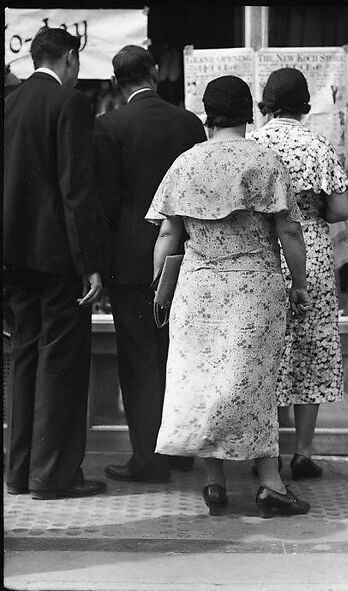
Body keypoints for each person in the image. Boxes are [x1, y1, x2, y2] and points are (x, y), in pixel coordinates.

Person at [145, 75, 311, 518]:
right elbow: (290, 231)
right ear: (248, 113)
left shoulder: (185, 163)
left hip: (197, 291)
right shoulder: (265, 160)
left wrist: (159, 286)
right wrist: (299, 283)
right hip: (254, 289)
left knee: (204, 383)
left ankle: (214, 482)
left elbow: (167, 234)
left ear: (208, 114)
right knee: (253, 385)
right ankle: (270, 485)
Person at [94, 45, 207, 484]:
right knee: (181, 353)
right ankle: (181, 451)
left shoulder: (109, 126)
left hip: (131, 261)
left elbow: (106, 201)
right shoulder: (189, 123)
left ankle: (148, 458)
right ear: (155, 72)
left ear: (115, 80)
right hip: (186, 255)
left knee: (140, 358)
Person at [3, 27, 108, 500]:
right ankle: (53, 476)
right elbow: (75, 187)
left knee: (24, 356)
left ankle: (18, 472)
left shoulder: (10, 103)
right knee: (60, 361)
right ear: (68, 57)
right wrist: (90, 261)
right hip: (58, 256)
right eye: (77, 62)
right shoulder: (71, 103)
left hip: (14, 256)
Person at [248, 68, 348, 479]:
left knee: (267, 351)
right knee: (311, 352)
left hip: (266, 252)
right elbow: (341, 210)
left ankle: (267, 453)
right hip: (312, 255)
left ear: (266, 102)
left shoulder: (253, 144)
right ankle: (304, 452)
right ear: (305, 104)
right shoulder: (318, 144)